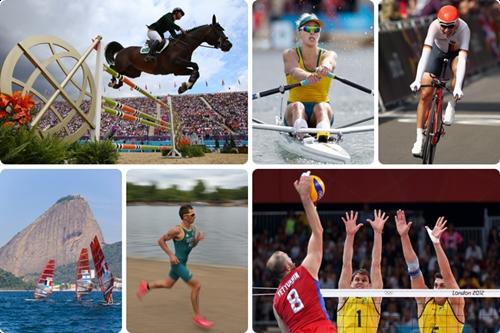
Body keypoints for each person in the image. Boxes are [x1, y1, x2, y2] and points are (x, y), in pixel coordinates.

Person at [266, 173, 337, 333]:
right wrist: (306, 200)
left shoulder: (276, 302)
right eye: (288, 257)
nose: (291, 257)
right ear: (287, 267)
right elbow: (318, 232)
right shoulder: (305, 271)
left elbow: (285, 331)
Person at [136, 204, 213, 329]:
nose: (195, 216)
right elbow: (161, 241)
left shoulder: (193, 229)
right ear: (185, 217)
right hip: (177, 264)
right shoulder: (176, 230)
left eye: (194, 213)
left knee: (168, 284)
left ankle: (146, 285)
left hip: (183, 262)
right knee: (196, 285)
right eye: (192, 214)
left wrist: (197, 239)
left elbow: (190, 245)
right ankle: (197, 317)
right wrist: (171, 255)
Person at [409, 5, 470, 156]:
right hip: (437, 52)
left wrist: (457, 89)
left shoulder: (464, 29)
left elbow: (462, 59)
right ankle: (418, 139)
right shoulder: (434, 26)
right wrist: (417, 79)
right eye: (443, 26)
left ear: (456, 23)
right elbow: (425, 55)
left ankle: (452, 105)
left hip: (455, 54)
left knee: (459, 68)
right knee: (425, 93)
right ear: (438, 22)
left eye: (450, 27)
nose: (446, 30)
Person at [395, 210, 465, 332]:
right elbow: (413, 267)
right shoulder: (425, 300)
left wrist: (436, 244)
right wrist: (404, 236)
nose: (437, 288)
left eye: (442, 286)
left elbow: (447, 275)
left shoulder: (456, 303)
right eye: (436, 285)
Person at [283, 13, 337, 143]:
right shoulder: (290, 54)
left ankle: (323, 135)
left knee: (322, 107)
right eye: (307, 29)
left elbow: (329, 62)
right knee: (298, 106)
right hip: (293, 112)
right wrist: (308, 76)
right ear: (300, 33)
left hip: (320, 112)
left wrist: (324, 67)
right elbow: (294, 71)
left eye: (316, 30)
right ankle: (302, 134)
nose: (312, 33)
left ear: (319, 33)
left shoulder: (329, 54)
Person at [336, 210, 388, 332]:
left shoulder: (374, 299)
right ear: (350, 284)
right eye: (357, 279)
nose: (360, 282)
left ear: (370, 286)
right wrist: (350, 236)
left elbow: (376, 264)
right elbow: (346, 265)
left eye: (364, 280)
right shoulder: (344, 297)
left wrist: (378, 233)